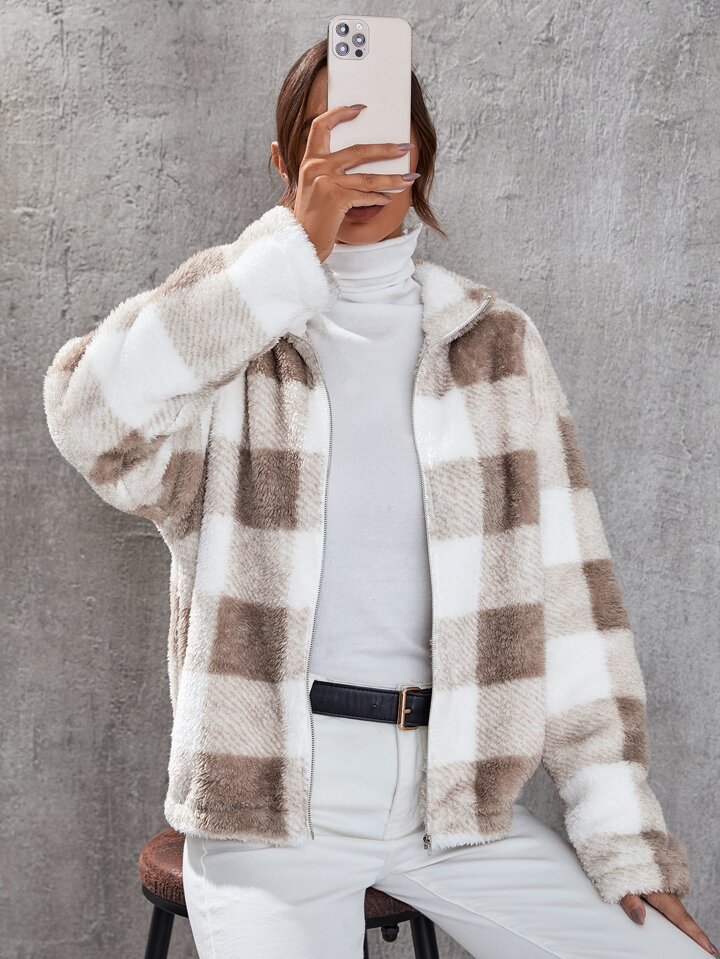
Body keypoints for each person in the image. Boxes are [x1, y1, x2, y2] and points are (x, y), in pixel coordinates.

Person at [43, 38, 716, 959]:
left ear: (421, 156)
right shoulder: (236, 341)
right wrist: (284, 256)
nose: (359, 159)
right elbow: (89, 417)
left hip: (455, 808)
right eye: (331, 134)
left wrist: (623, 836)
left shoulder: (493, 344)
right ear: (287, 163)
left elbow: (572, 605)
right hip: (267, 814)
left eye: (381, 133)